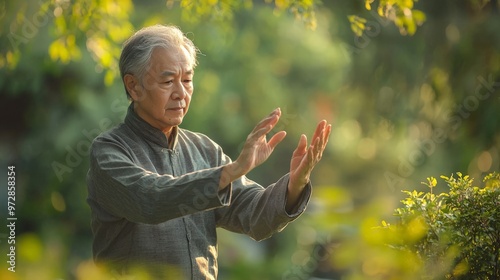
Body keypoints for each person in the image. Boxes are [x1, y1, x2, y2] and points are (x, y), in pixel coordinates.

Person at [86, 24, 331, 279]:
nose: (181, 93)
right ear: (134, 86)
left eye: (188, 80)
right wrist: (232, 170)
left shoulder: (203, 150)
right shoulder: (109, 151)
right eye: (168, 81)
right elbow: (150, 199)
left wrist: (295, 184)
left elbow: (253, 215)